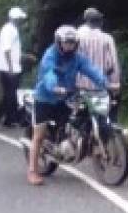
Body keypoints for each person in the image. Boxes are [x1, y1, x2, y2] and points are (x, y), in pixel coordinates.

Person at [27, 25, 108, 186]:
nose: (70, 45)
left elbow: (90, 69)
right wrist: (54, 87)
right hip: (45, 98)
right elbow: (48, 73)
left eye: (72, 42)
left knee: (74, 121)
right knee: (39, 135)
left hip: (64, 98)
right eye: (67, 42)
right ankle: (32, 171)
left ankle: (69, 147)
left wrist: (105, 82)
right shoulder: (50, 55)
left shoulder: (77, 58)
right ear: (59, 42)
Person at [76, 7, 121, 118]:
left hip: (80, 87)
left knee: (79, 118)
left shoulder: (77, 37)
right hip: (101, 87)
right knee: (102, 118)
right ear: (100, 22)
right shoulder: (107, 39)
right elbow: (113, 64)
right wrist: (115, 84)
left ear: (86, 21)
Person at [0, 7, 27, 126]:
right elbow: (7, 49)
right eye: (20, 19)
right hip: (9, 68)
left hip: (9, 67)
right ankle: (10, 119)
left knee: (9, 94)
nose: (21, 21)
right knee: (11, 95)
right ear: (15, 18)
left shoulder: (11, 29)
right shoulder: (9, 30)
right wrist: (11, 67)